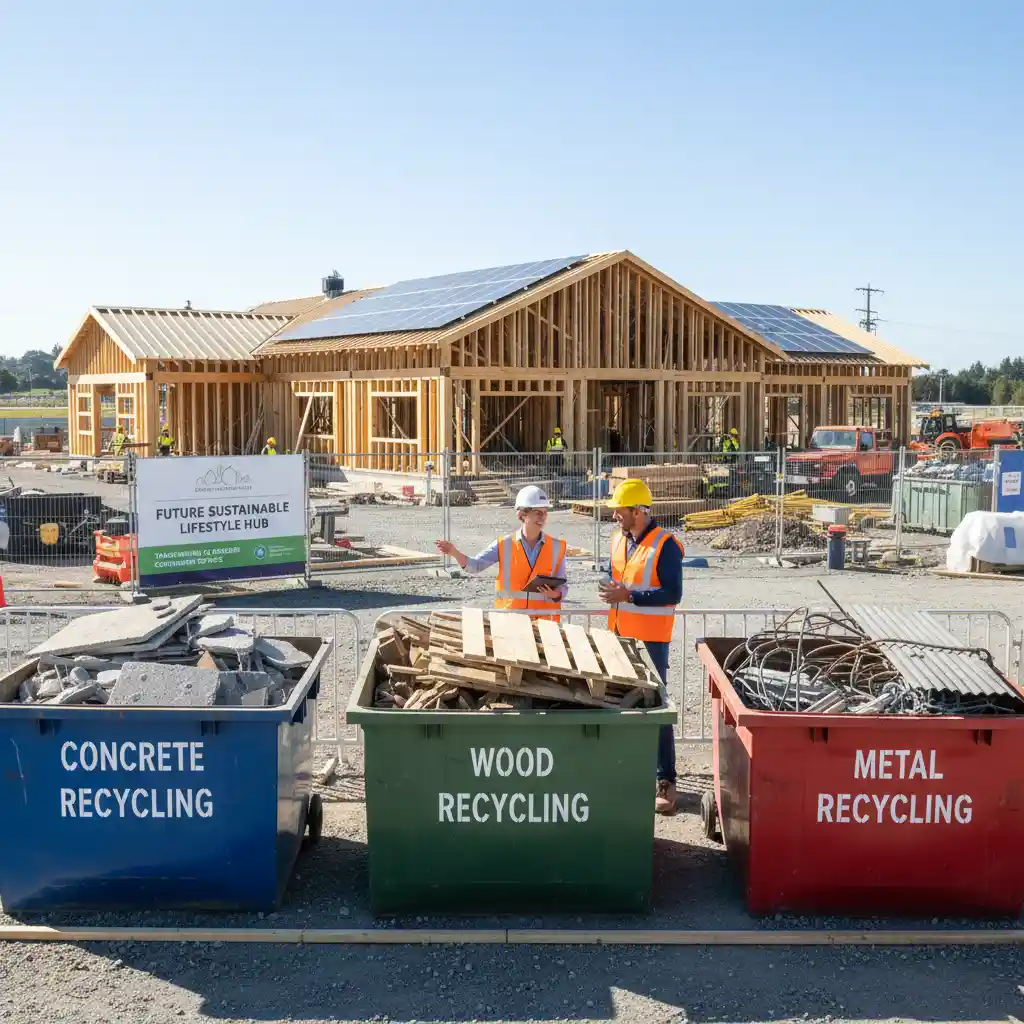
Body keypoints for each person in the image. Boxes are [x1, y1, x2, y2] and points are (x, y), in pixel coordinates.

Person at [598, 478, 684, 816]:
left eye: (619, 510)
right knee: (619, 703)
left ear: (637, 511)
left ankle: (666, 779)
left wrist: (629, 595)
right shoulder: (617, 538)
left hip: (651, 640)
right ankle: (626, 770)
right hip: (620, 635)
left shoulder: (666, 545)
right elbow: (614, 573)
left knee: (656, 708)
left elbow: (672, 593)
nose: (615, 516)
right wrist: (609, 587)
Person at [435, 485, 567, 619]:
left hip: (545, 624)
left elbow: (563, 586)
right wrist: (454, 553)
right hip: (512, 620)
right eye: (538, 513)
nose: (543, 517)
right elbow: (475, 566)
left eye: (545, 512)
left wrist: (555, 594)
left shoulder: (556, 547)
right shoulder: (504, 544)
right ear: (523, 514)